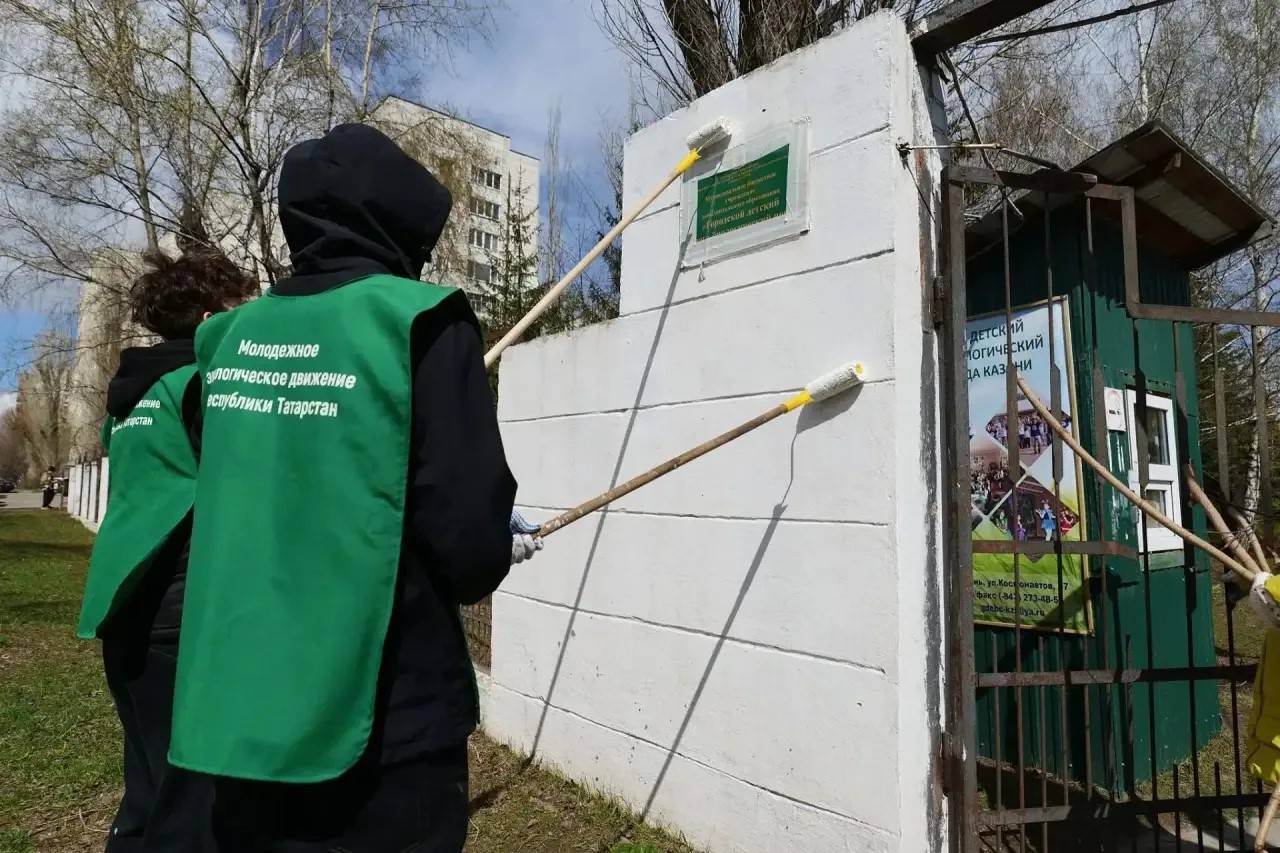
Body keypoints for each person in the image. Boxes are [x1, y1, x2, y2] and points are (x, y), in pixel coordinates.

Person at [169, 124, 540, 852]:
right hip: (386, 730)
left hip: (242, 721)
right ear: (403, 220)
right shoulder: (421, 323)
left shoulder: (221, 343)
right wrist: (495, 535)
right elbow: (467, 552)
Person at [75, 250, 257, 852]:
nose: (249, 320)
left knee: (150, 779)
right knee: (193, 792)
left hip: (123, 603)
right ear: (211, 319)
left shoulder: (131, 397)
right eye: (240, 307)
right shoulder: (201, 386)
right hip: (177, 612)